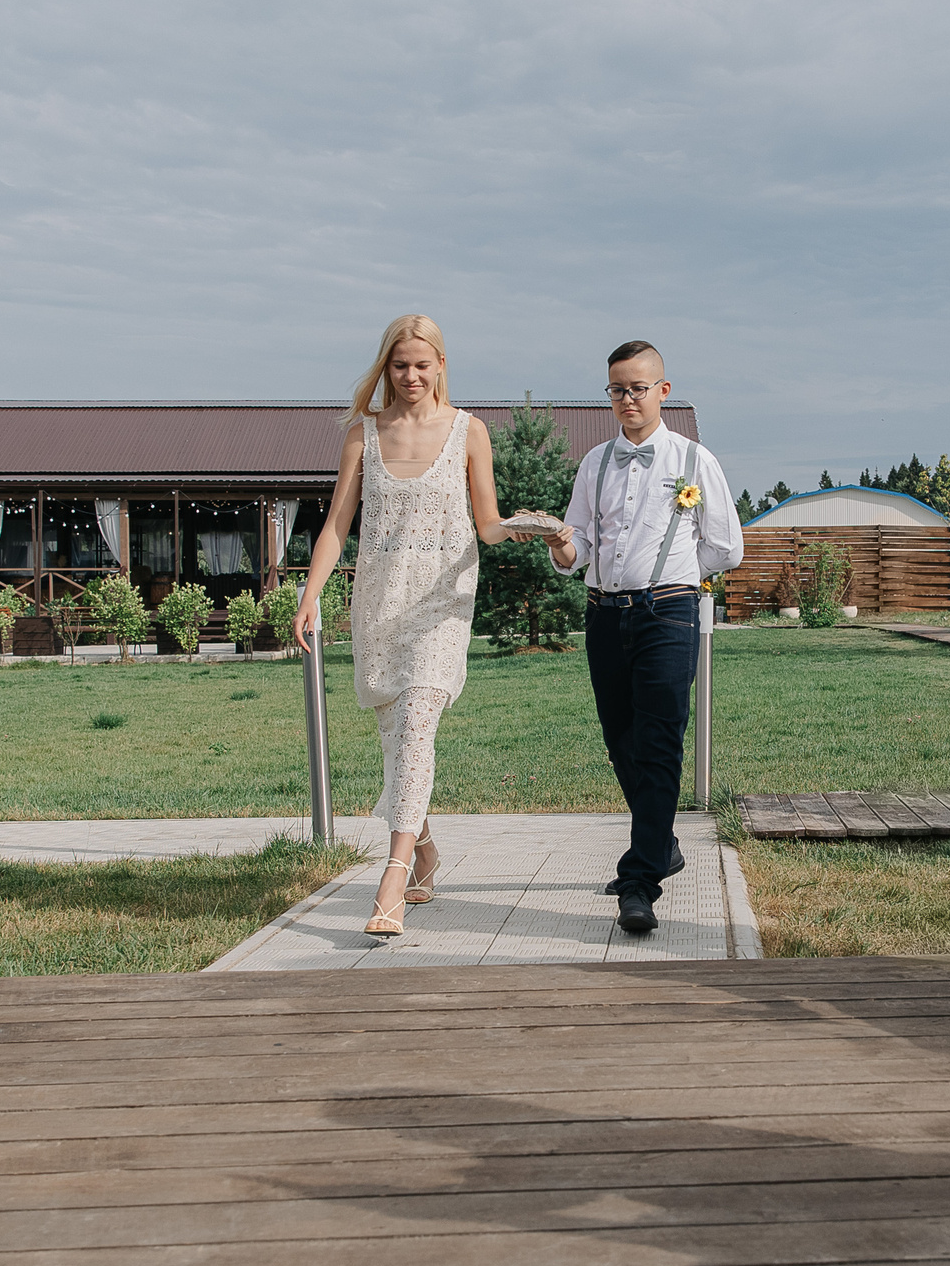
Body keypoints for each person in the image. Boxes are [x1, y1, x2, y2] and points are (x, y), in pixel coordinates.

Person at [294, 315, 522, 937]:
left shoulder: (469, 432)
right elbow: (338, 525)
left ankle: (390, 878)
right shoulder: (362, 435)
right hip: (378, 605)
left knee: (420, 719)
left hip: (443, 604)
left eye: (423, 364)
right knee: (400, 741)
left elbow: (488, 524)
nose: (412, 375)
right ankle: (424, 849)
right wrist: (311, 594)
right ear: (386, 368)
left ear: (442, 365)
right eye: (400, 365)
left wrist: (533, 529)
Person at [545, 341, 741, 934]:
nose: (627, 399)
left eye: (638, 388)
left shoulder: (693, 460)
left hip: (669, 613)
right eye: (617, 389)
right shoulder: (594, 464)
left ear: (663, 391)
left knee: (658, 743)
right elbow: (576, 545)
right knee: (620, 740)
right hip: (604, 614)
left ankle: (639, 881)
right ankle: (663, 846)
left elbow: (725, 546)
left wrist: (676, 578)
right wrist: (561, 545)